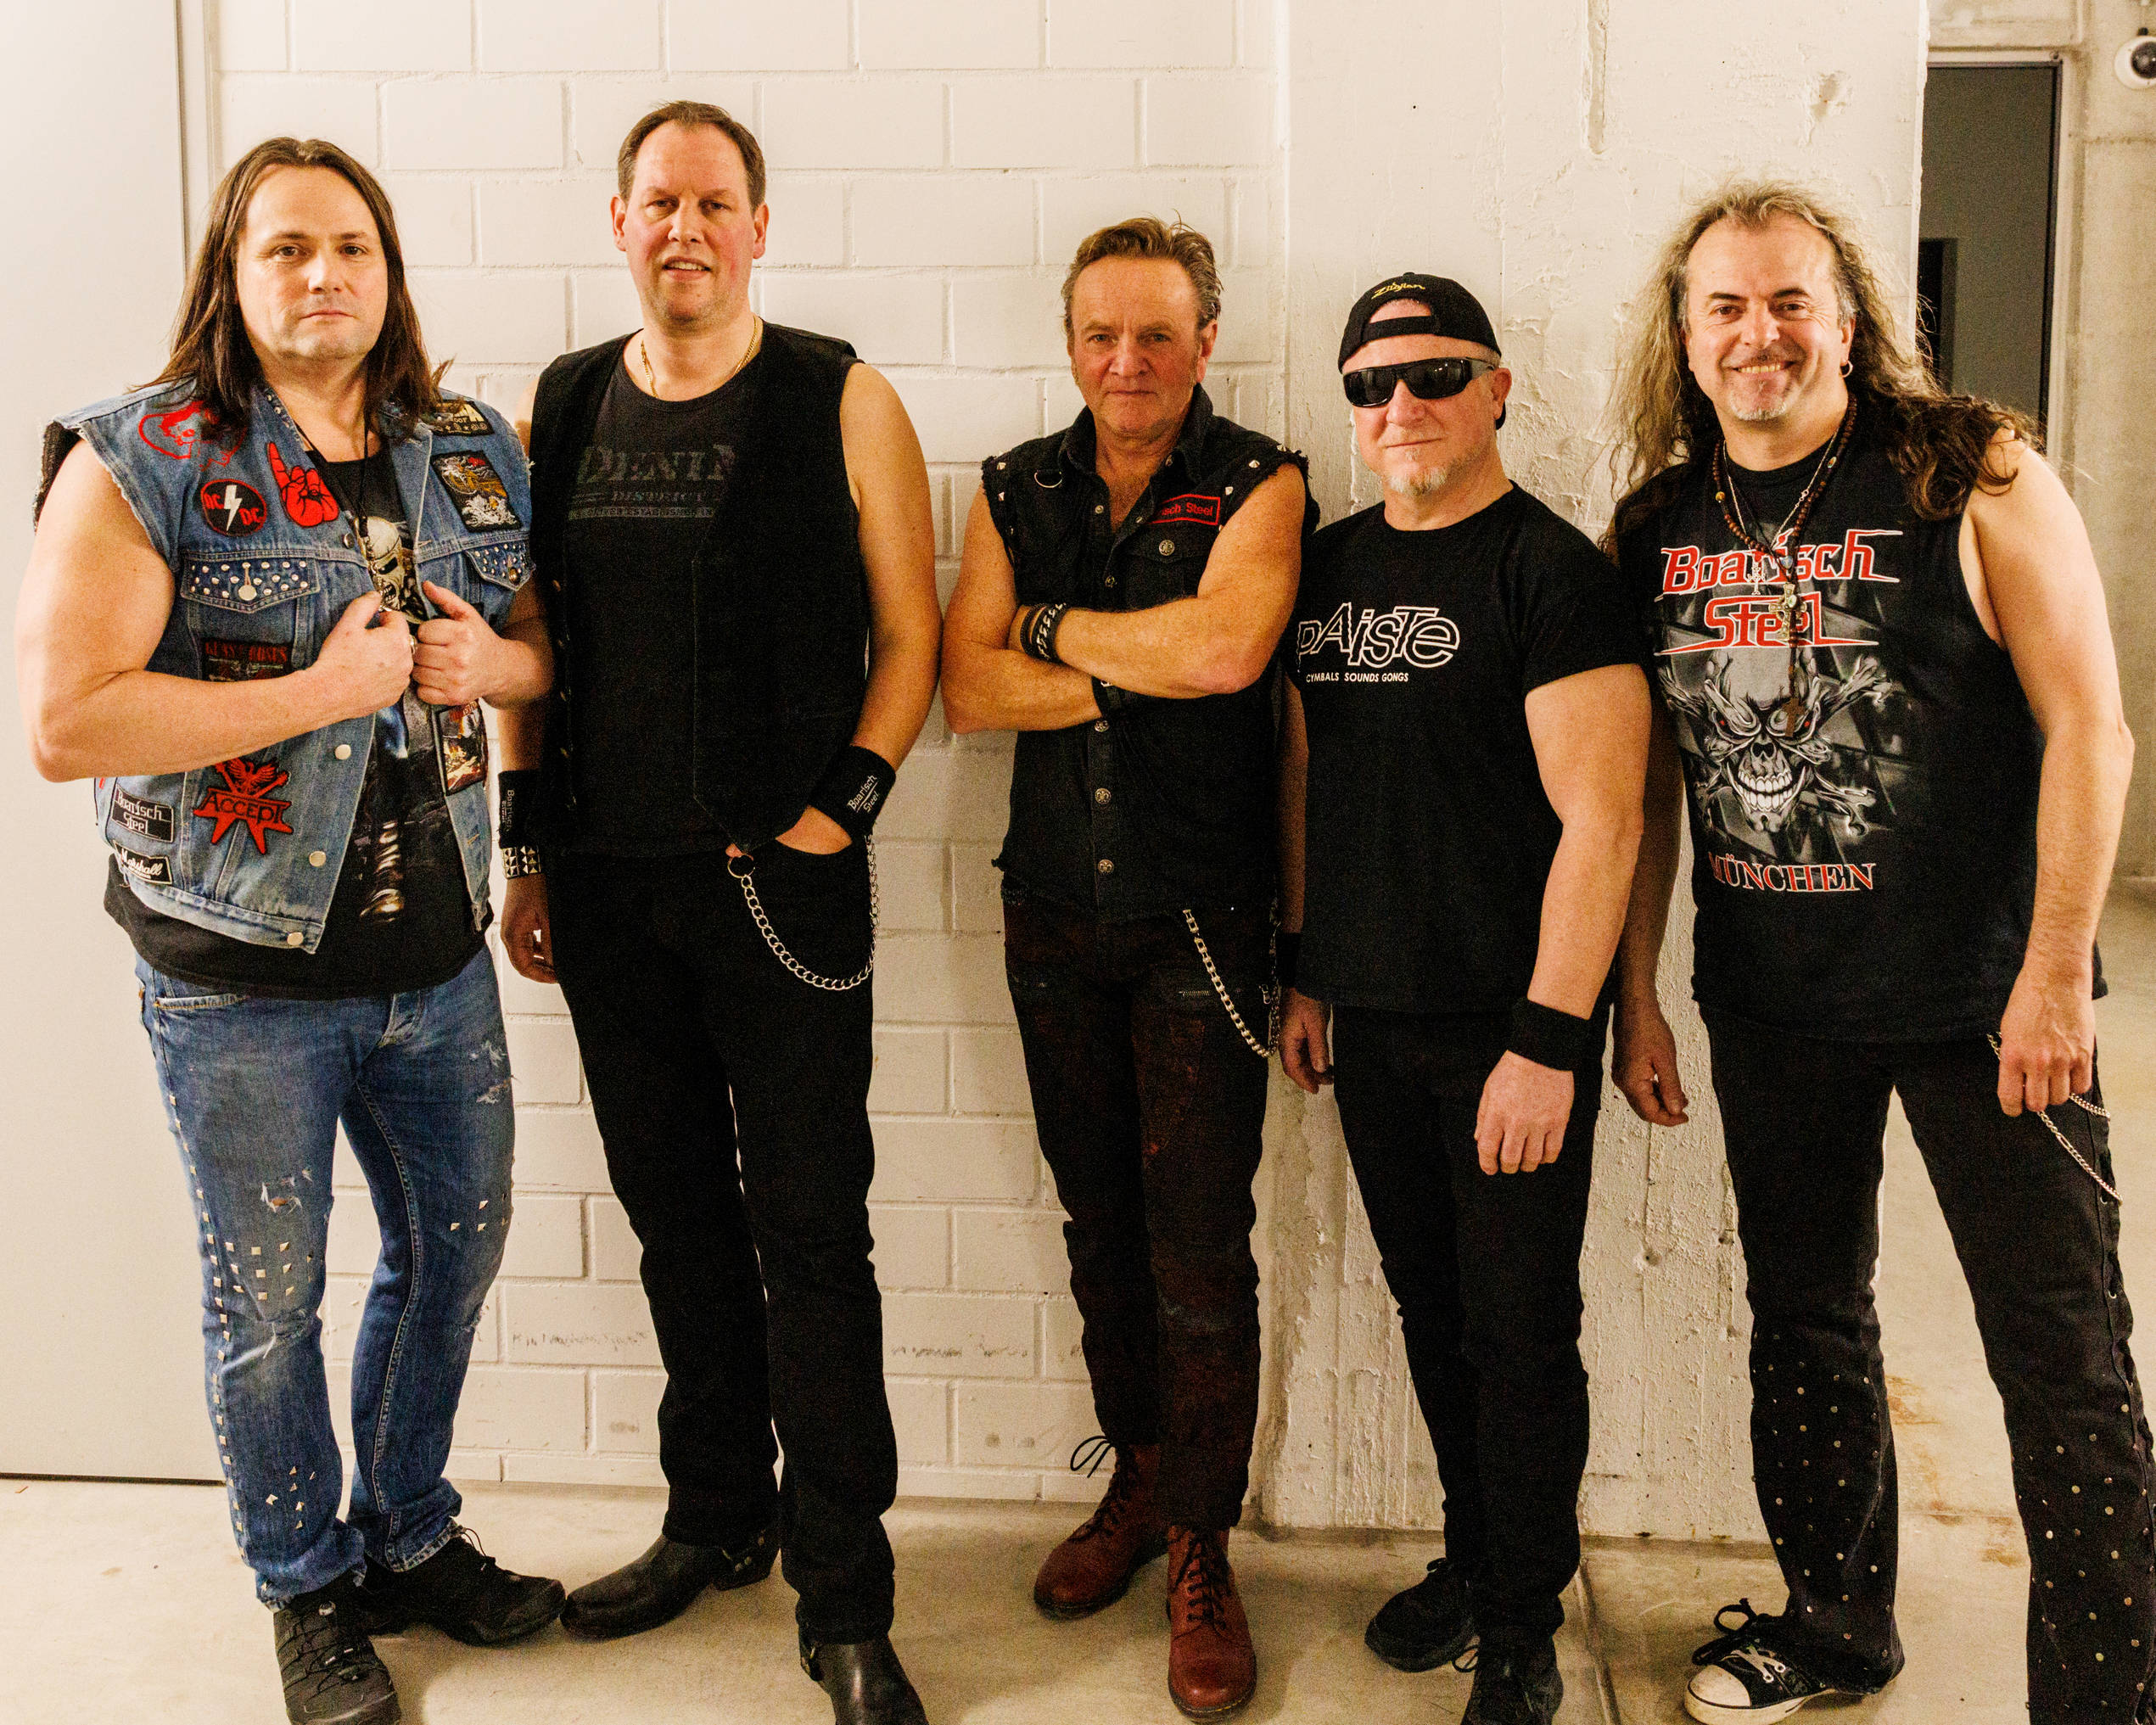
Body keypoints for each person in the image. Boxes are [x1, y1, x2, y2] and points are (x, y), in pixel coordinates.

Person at [18, 137, 560, 1725]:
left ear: (389, 270)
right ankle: (304, 1584)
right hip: (239, 974)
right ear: (233, 271)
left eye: (351, 247)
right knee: (267, 1307)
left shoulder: (472, 444)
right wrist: (321, 690)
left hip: (438, 956)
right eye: (286, 249)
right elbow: (66, 723)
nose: (323, 275)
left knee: (454, 1249)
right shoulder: (140, 456)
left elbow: (536, 645)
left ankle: (404, 1533)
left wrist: (493, 672)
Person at [1605, 180, 2142, 1724]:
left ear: (1847, 318)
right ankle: (1836, 1629)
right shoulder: (1655, 526)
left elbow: (2090, 731)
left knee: (2060, 1358)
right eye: (1724, 305)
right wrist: (1637, 990)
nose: (1757, 333)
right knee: (1807, 1325)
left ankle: (2103, 1699)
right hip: (1774, 1003)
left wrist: (2052, 974)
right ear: (1685, 335)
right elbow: (1648, 787)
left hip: (1989, 1000)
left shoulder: (1966, 472)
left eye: (1790, 300)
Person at [495, 102, 942, 1725]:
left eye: (714, 201)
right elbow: (531, 638)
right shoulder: (557, 404)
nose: (684, 228)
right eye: (658, 202)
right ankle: (713, 1515)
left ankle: (848, 1596)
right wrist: (523, 848)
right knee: (675, 1217)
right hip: (609, 887)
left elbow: (910, 637)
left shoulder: (840, 394)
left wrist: (842, 810)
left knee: (812, 1234)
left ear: (760, 225)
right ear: (618, 222)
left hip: (780, 888)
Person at [942, 216, 1311, 1721]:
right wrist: (1131, 659)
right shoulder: (1012, 484)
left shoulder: (1263, 480)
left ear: (1204, 341)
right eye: (1101, 333)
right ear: (1069, 341)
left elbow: (1226, 656)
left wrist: (1046, 629)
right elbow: (967, 688)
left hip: (1200, 925)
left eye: (1156, 333)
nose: (1126, 360)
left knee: (1199, 1248)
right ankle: (1144, 1481)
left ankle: (1204, 1547)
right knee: (1099, 1227)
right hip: (1052, 918)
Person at [1275, 274, 1649, 1725]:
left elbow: (1604, 822)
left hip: (1508, 1030)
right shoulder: (1325, 566)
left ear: (1496, 388)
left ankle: (1522, 1621)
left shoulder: (1549, 574)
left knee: (1517, 1332)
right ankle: (1479, 1556)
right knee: (1433, 1315)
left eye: (1433, 375)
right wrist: (1307, 965)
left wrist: (1549, 1043)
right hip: (1368, 1019)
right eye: (1371, 384)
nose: (1400, 405)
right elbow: (1307, 773)